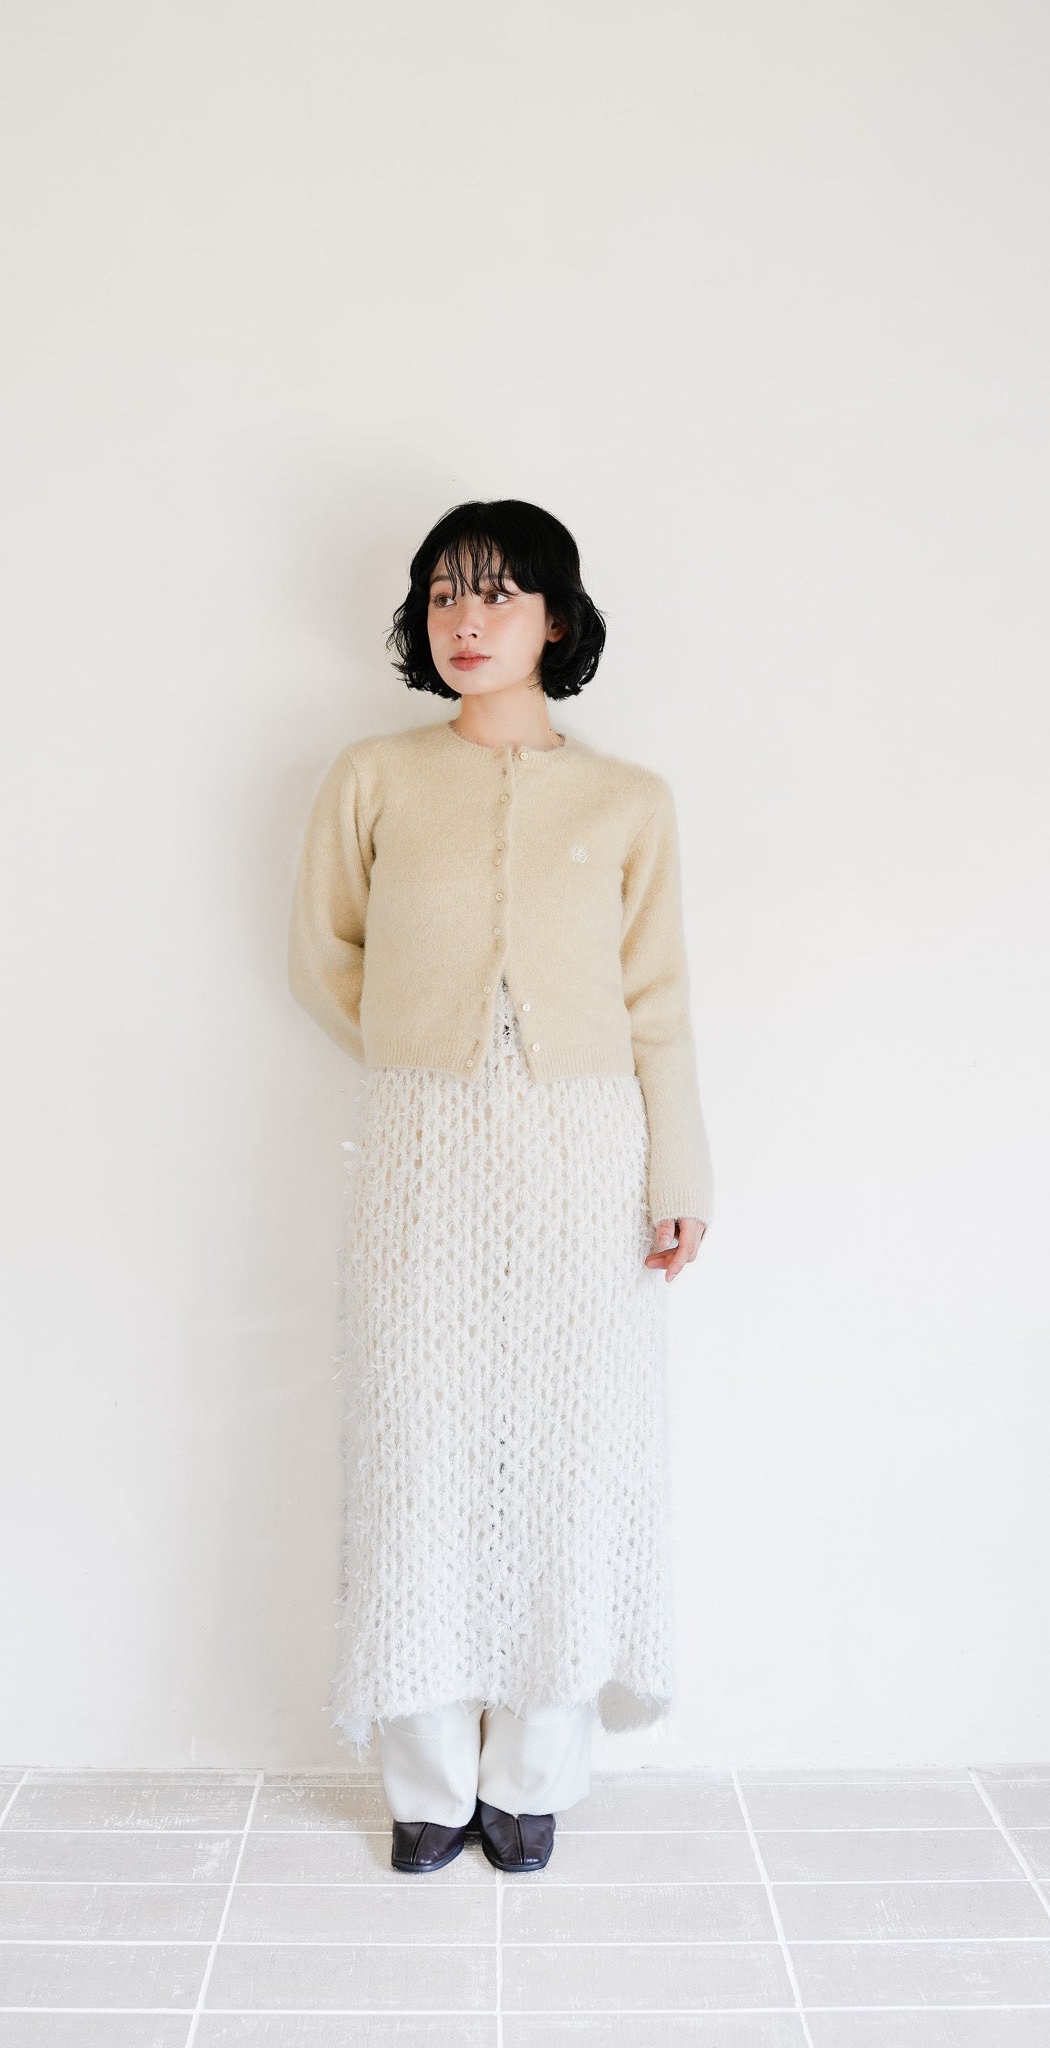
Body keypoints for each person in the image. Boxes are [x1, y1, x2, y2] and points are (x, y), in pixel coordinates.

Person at [287, 499, 712, 1875]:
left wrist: (677, 1169)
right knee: (414, 1455)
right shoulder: (373, 777)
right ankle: (425, 1785)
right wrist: (424, 1046)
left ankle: (533, 1776)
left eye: (498, 594)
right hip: (419, 1158)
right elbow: (323, 954)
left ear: (557, 621)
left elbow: (659, 1005)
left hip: (586, 1164)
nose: (465, 621)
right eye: (443, 595)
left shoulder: (630, 801)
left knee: (567, 1460)